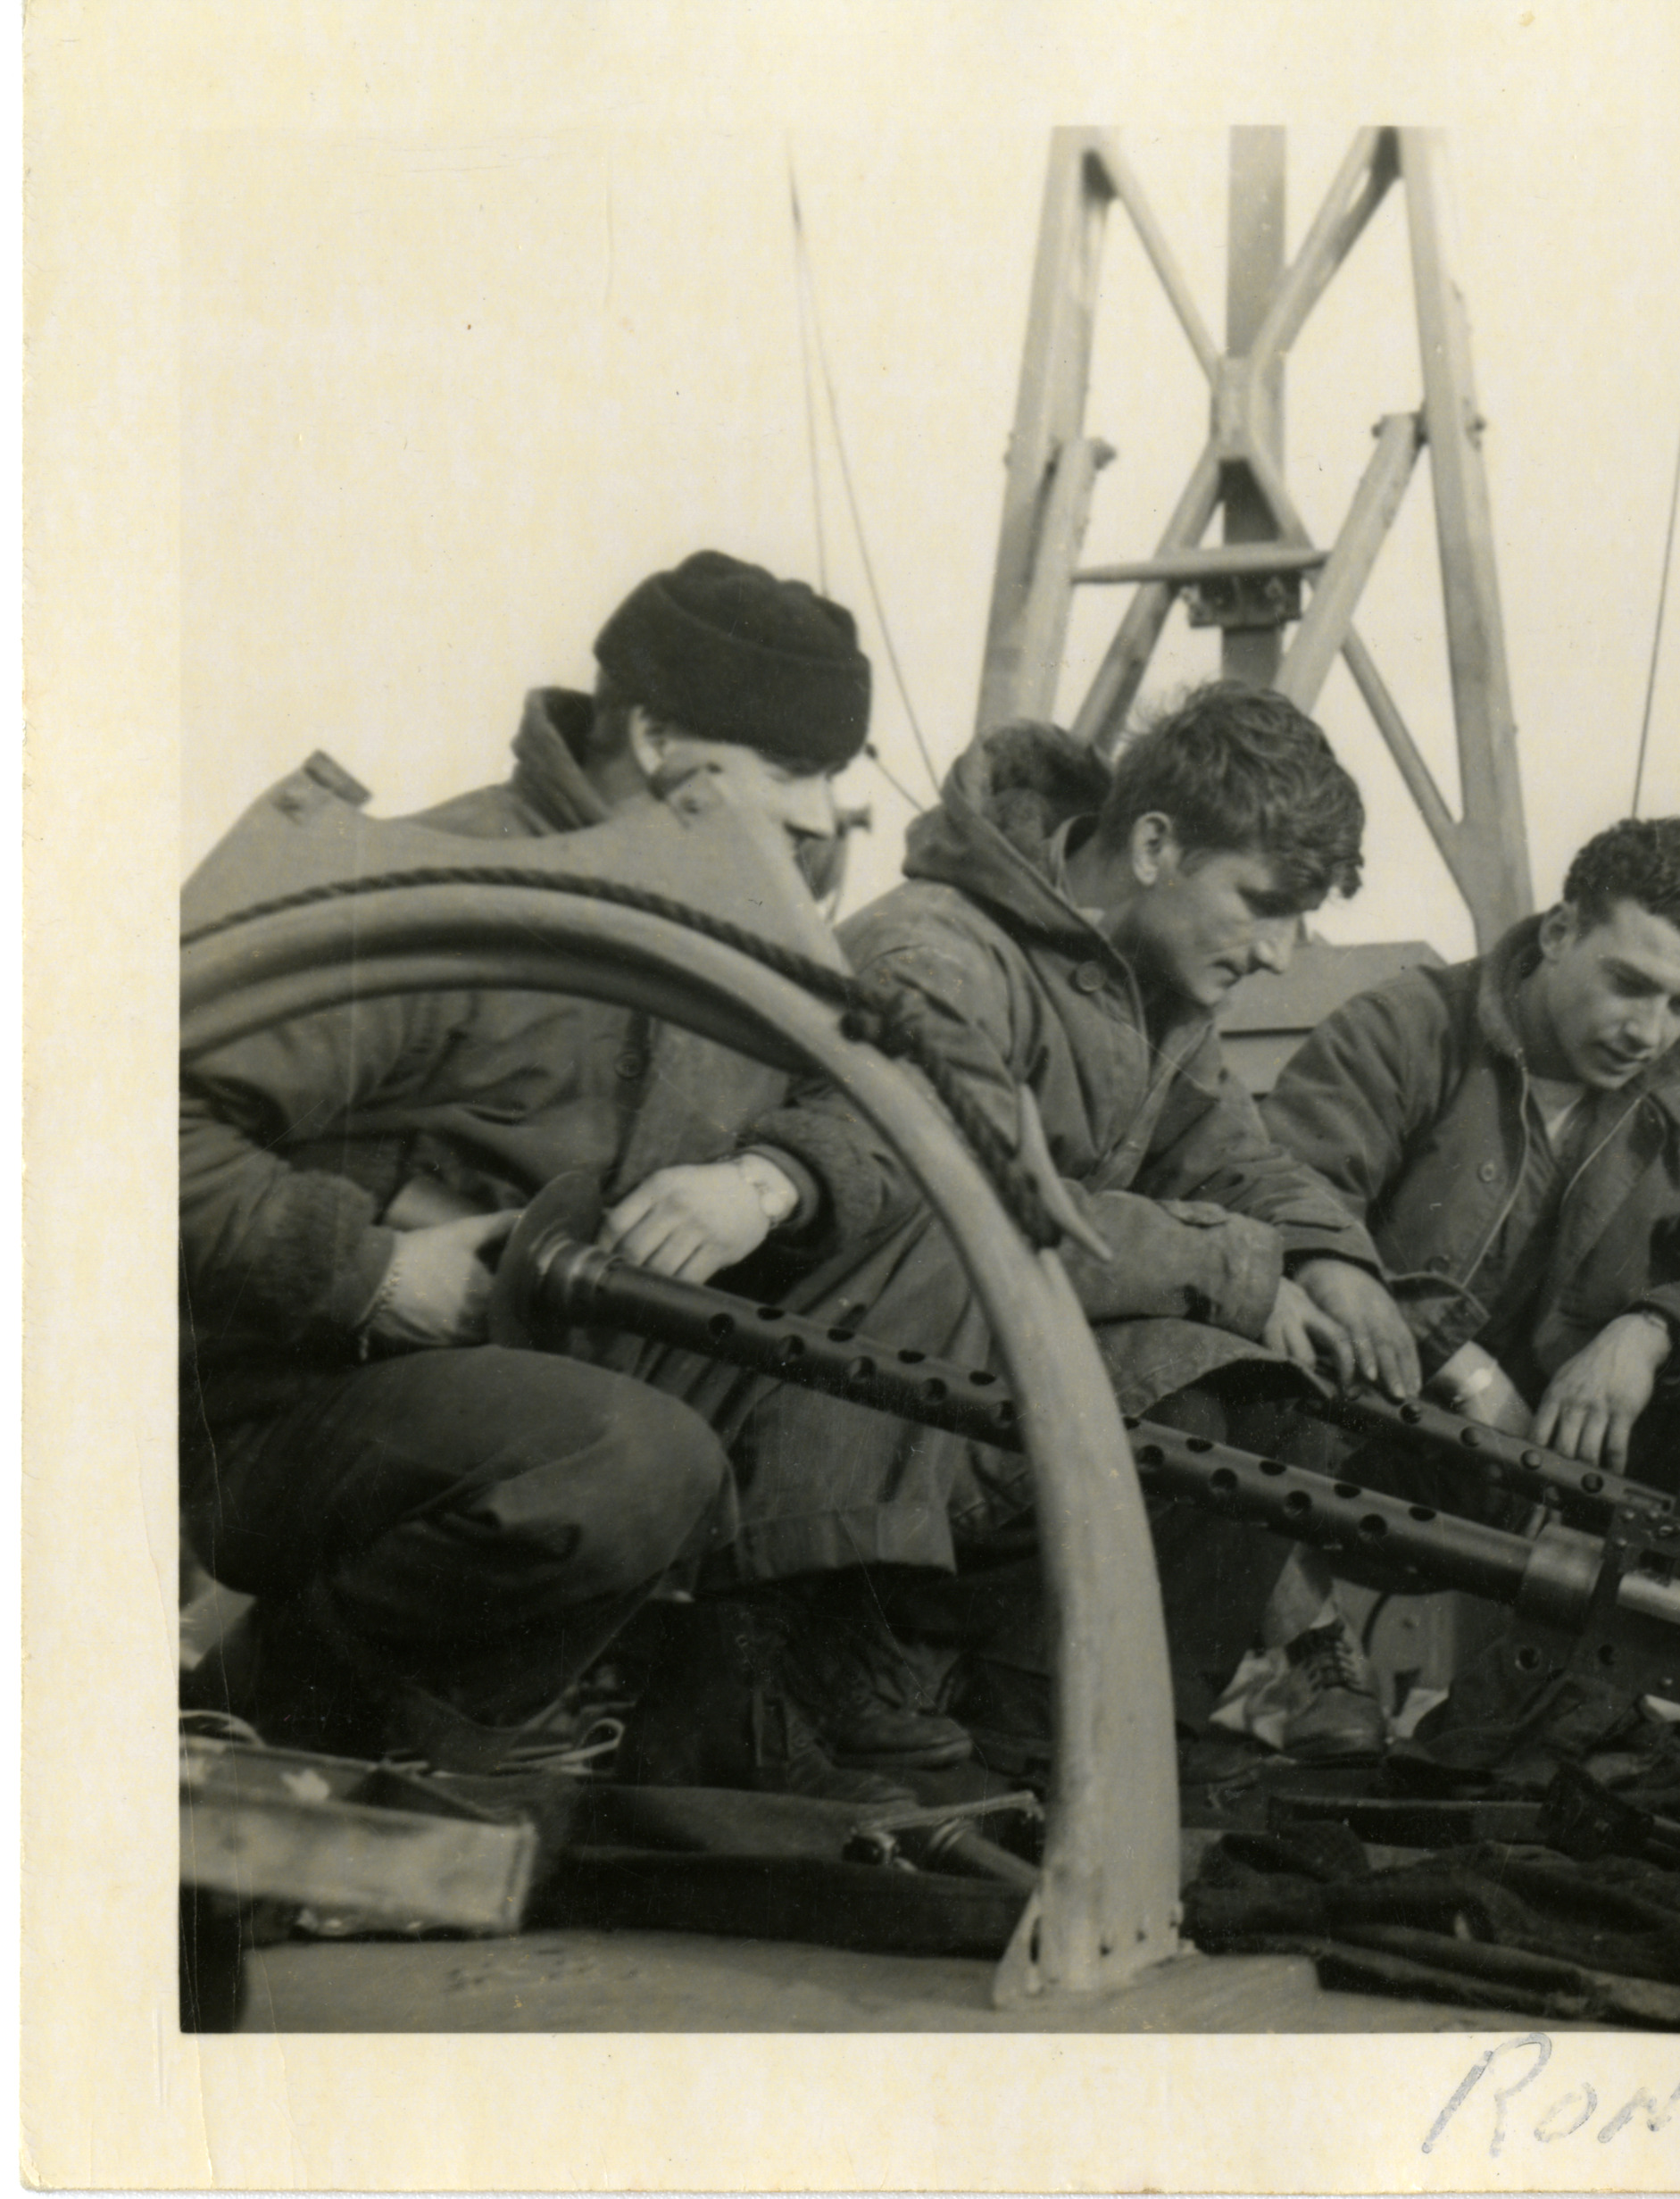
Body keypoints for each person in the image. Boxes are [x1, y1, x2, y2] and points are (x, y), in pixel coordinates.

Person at [618, 687, 1407, 1773]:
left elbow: (1231, 1158)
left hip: (965, 1374)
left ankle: (1046, 1739)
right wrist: (1236, 1266)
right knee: (962, 1233)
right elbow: (985, 1198)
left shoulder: (1154, 982)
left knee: (1267, 1408)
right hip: (803, 1393)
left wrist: (1330, 1261)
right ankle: (820, 1650)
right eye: (1264, 904)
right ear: (1155, 844)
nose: (1282, 954)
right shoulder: (937, 952)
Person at [179, 550, 871, 1771]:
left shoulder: (712, 924)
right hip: (284, 1411)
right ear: (658, 737)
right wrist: (369, 1269)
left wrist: (766, 1181)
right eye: (789, 772)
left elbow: (885, 1105)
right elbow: (103, 1129)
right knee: (632, 1458)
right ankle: (285, 1717)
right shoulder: (434, 893)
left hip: (542, 1382)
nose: (820, 816)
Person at [1261, 816, 1680, 1483]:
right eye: (1627, 984)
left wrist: (1653, 1333)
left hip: (1593, 1455)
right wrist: (1459, 1361)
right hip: (1381, 1421)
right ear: (1560, 933)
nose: (1648, 1033)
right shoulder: (1407, 1027)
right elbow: (1289, 1193)